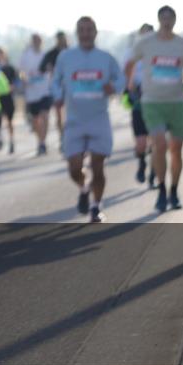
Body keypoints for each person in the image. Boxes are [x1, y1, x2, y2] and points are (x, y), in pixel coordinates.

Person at [52, 17, 124, 223]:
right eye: (81, 30)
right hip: (74, 120)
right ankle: (84, 188)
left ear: (95, 32)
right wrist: (57, 95)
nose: (85, 33)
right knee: (74, 168)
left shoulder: (106, 58)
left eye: (89, 29)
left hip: (98, 119)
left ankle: (96, 206)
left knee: (98, 166)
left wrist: (114, 87)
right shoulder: (66, 57)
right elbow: (55, 80)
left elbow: (120, 79)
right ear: (76, 32)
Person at [125, 6, 183, 213]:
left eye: (170, 18)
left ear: (175, 20)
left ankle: (174, 190)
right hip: (152, 101)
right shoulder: (146, 43)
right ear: (158, 20)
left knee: (176, 149)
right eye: (163, 18)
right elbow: (130, 63)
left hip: (176, 102)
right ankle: (162, 191)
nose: (166, 22)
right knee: (159, 144)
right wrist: (129, 85)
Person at [122, 23, 155, 186]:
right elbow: (125, 72)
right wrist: (128, 89)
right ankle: (142, 163)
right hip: (138, 98)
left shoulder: (159, 50)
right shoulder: (132, 52)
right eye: (144, 34)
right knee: (141, 142)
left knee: (157, 139)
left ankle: (155, 173)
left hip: (156, 98)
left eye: (150, 34)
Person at [20, 34, 52, 155]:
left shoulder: (45, 55)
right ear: (32, 41)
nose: (37, 42)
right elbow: (21, 72)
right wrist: (24, 80)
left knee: (45, 115)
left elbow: (51, 69)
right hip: (32, 92)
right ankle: (39, 140)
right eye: (35, 40)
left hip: (45, 91)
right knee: (36, 120)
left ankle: (43, 142)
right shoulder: (26, 55)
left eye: (39, 40)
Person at [41, 31, 69, 151]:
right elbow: (41, 68)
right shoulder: (51, 53)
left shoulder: (72, 52)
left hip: (73, 87)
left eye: (63, 39)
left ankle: (70, 137)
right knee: (59, 115)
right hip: (57, 87)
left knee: (71, 114)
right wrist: (49, 69)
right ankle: (62, 138)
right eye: (59, 39)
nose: (61, 41)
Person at [0, 47, 17, 154]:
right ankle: (0, 139)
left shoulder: (9, 68)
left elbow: (16, 80)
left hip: (8, 97)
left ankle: (12, 141)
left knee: (9, 120)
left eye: (0, 54)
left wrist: (12, 86)